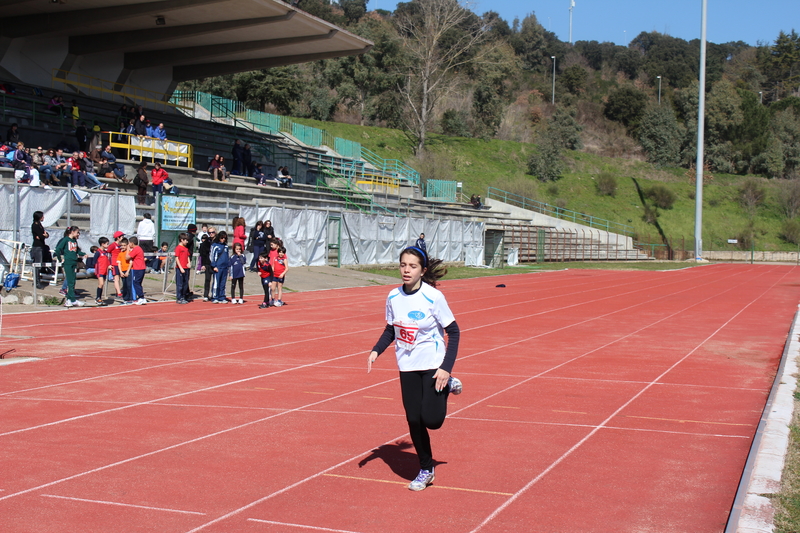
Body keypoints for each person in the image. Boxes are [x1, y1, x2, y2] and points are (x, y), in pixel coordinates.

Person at [367, 246, 462, 492]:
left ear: (423, 271)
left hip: (433, 365)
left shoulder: (433, 297)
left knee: (432, 420)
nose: (406, 270)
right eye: (403, 265)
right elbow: (391, 329)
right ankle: (426, 469)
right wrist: (376, 350)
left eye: (412, 266)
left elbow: (453, 331)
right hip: (407, 366)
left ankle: (448, 383)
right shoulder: (393, 297)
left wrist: (446, 368)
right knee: (413, 419)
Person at [54, 226, 86, 307]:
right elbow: (58, 249)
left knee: (72, 281)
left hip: (74, 262)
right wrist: (60, 259)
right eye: (77, 232)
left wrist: (83, 254)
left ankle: (70, 300)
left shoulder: (74, 240)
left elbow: (77, 250)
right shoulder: (65, 240)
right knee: (70, 281)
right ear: (72, 232)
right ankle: (71, 300)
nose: (78, 234)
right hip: (68, 262)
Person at [30, 211, 49, 288]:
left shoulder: (40, 225)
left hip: (41, 246)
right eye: (42, 216)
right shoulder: (35, 225)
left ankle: (38, 281)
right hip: (37, 247)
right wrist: (43, 235)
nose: (43, 218)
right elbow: (40, 236)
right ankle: (36, 282)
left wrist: (45, 235)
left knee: (40, 264)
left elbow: (45, 234)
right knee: (37, 265)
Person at [210, 230, 230, 303]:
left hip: (225, 267)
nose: (223, 239)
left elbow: (227, 256)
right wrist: (214, 266)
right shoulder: (215, 246)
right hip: (218, 267)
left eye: (224, 238)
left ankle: (222, 296)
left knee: (223, 283)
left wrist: (228, 266)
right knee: (216, 282)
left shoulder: (226, 246)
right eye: (222, 238)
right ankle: (215, 296)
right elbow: (212, 256)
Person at [127, 237, 147, 305]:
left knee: (136, 283)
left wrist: (127, 249)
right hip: (140, 268)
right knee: (138, 283)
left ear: (132, 243)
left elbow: (127, 257)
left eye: (129, 243)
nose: (128, 244)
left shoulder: (136, 249)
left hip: (138, 268)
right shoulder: (138, 249)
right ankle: (141, 297)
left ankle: (141, 297)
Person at [107, 231, 125, 300]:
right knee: (116, 279)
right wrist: (109, 264)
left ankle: (119, 291)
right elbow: (107, 253)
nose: (123, 238)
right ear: (118, 238)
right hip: (115, 263)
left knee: (122, 278)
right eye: (122, 236)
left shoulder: (122, 245)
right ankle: (119, 293)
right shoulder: (113, 245)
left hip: (121, 263)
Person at [174, 233, 191, 304]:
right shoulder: (178, 248)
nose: (187, 242)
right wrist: (180, 267)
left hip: (186, 268)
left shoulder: (186, 249)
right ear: (181, 240)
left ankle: (184, 297)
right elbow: (177, 258)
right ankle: (179, 297)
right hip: (180, 268)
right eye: (185, 240)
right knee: (180, 284)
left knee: (185, 284)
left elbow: (187, 256)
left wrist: (189, 263)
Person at [94, 237, 111, 305]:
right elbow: (94, 260)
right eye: (107, 244)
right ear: (102, 244)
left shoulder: (105, 252)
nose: (108, 245)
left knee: (102, 284)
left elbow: (107, 260)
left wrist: (109, 266)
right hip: (100, 270)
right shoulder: (98, 252)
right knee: (101, 283)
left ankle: (99, 297)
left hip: (105, 270)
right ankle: (98, 298)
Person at [200, 228, 215, 301]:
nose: (211, 234)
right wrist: (203, 264)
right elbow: (203, 254)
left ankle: (214, 294)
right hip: (208, 263)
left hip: (216, 264)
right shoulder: (206, 242)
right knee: (207, 279)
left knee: (216, 280)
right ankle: (206, 295)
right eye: (210, 232)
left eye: (213, 232)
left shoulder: (218, 241)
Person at [117, 238, 133, 304]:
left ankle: (130, 298)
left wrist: (127, 271)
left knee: (129, 284)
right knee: (124, 285)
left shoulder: (129, 253)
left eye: (124, 245)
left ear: (127, 245)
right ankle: (125, 298)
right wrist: (120, 272)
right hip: (122, 271)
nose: (123, 247)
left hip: (128, 270)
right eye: (122, 245)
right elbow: (119, 263)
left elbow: (131, 263)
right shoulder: (120, 254)